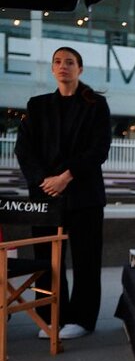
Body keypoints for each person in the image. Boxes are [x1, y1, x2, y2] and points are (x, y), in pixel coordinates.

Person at [15, 46, 111, 340]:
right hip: (45, 195)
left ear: (80, 69)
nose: (63, 66)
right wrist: (44, 180)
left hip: (84, 195)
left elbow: (98, 149)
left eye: (69, 62)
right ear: (52, 68)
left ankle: (81, 320)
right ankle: (50, 317)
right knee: (46, 259)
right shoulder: (37, 105)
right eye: (58, 61)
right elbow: (24, 149)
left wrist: (66, 176)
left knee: (86, 259)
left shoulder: (95, 104)